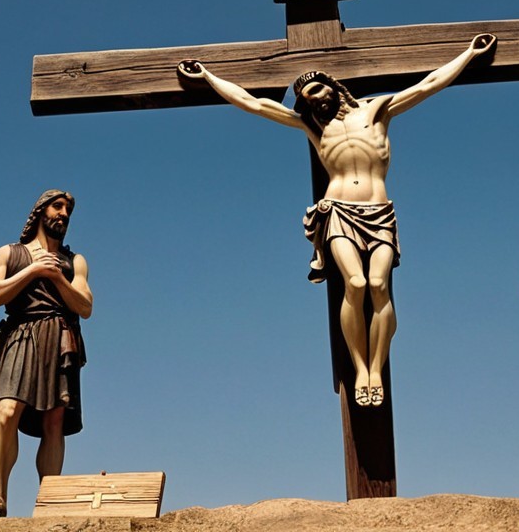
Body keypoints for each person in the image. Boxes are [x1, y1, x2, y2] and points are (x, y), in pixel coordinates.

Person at [179, 33, 495, 407]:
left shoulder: (377, 111)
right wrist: (209, 78)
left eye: (314, 89)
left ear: (332, 86)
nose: (311, 100)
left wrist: (468, 55)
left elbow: (429, 84)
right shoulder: (314, 128)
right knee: (357, 283)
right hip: (338, 211)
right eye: (305, 98)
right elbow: (255, 104)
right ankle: (361, 369)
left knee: (380, 284)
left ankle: (377, 367)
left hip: (379, 212)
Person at [0, 190, 93, 519]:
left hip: (59, 337)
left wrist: (55, 277)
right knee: (7, 411)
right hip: (20, 335)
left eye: (68, 210)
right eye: (57, 206)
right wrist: (32, 271)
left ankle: (48, 503)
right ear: (40, 211)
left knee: (54, 421)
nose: (64, 214)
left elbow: (85, 305)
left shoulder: (73, 261)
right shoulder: (10, 253)